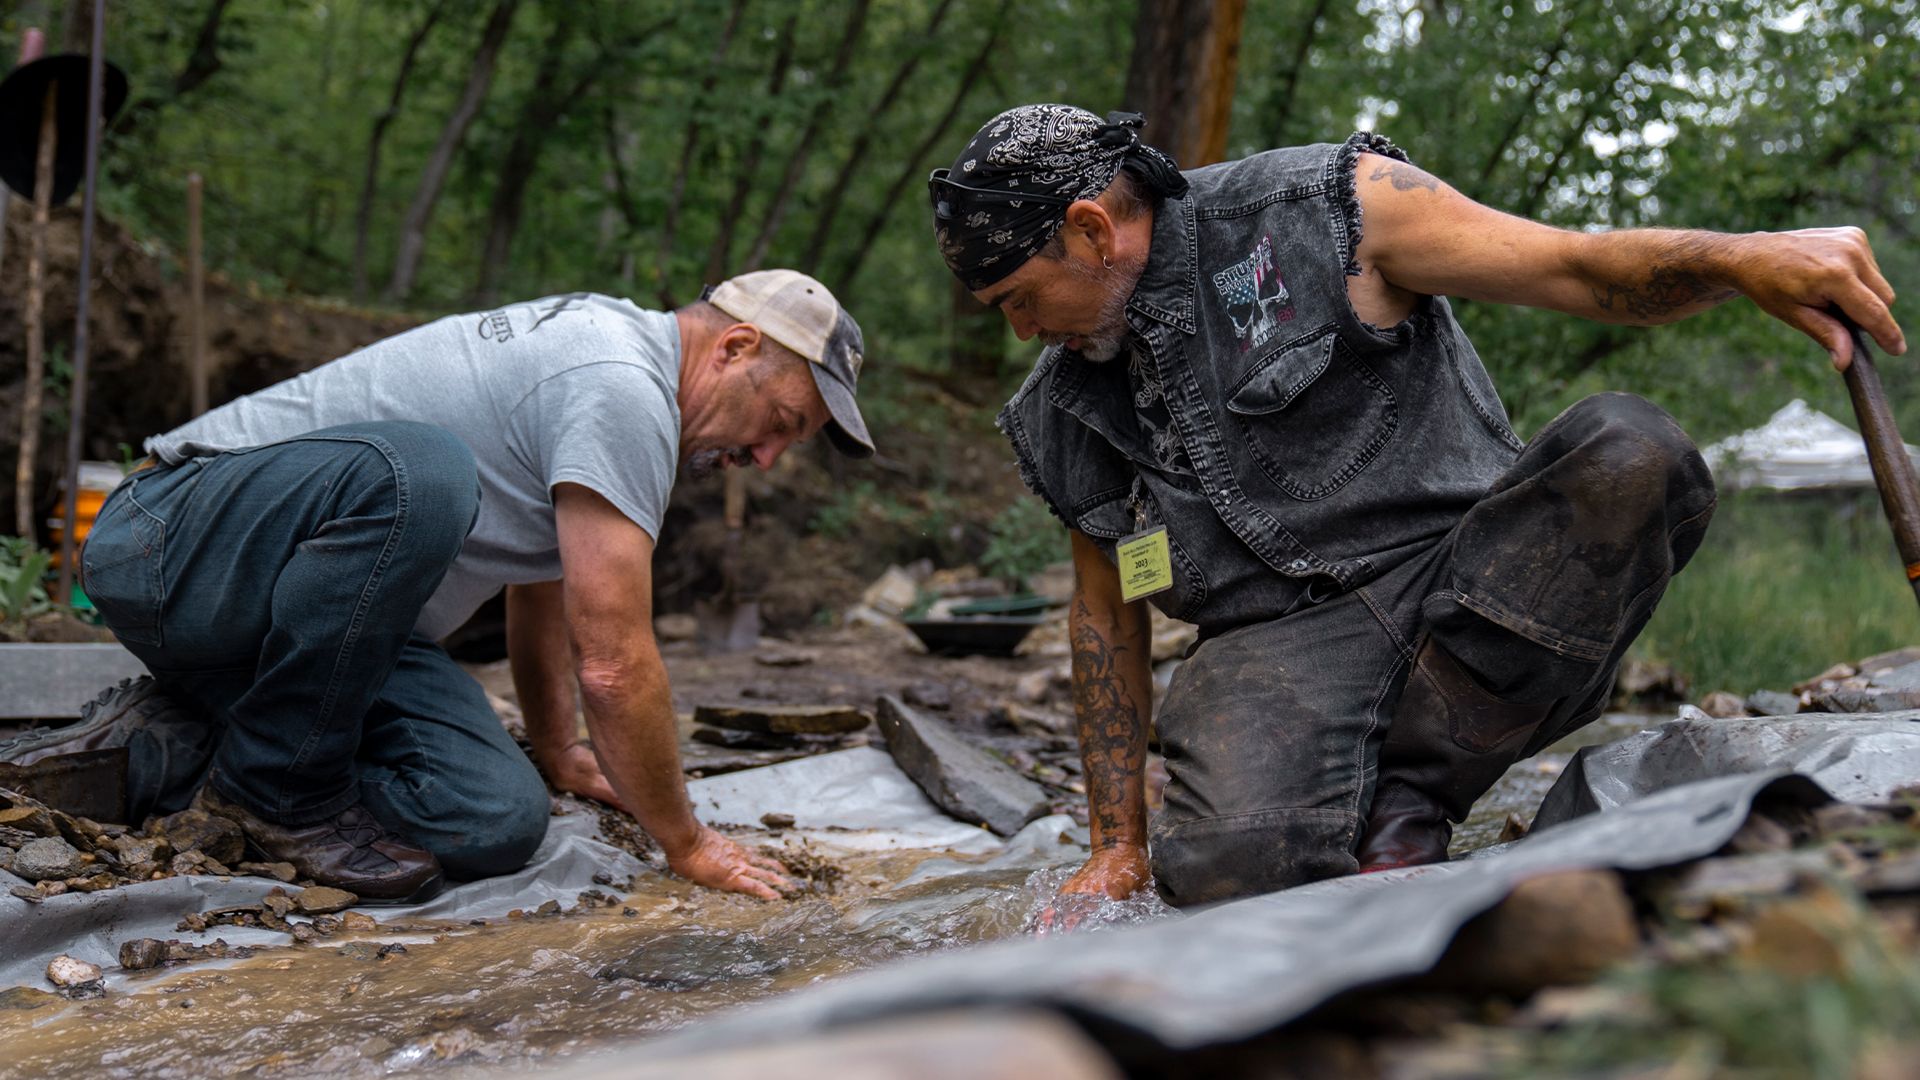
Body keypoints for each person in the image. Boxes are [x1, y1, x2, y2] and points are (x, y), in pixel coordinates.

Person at [928, 104, 1905, 908]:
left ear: (1091, 230)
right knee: (1229, 874)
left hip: (1471, 579)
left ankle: (1411, 799)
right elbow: (1105, 613)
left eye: (1021, 298)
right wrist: (1115, 846)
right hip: (1274, 650)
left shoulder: (1330, 207)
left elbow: (1576, 266)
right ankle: (1350, 799)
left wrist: (1741, 258)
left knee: (1628, 453)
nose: (1022, 334)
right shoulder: (1060, 402)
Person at [1, 271, 874, 904]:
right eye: (782, 424)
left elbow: (545, 590)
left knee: (492, 816)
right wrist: (685, 841)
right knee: (424, 472)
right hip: (167, 542)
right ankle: (278, 793)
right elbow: (614, 662)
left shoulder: (624, 389)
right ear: (736, 346)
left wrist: (559, 750)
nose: (764, 458)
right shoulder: (618, 383)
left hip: (303, 625)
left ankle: (180, 746)